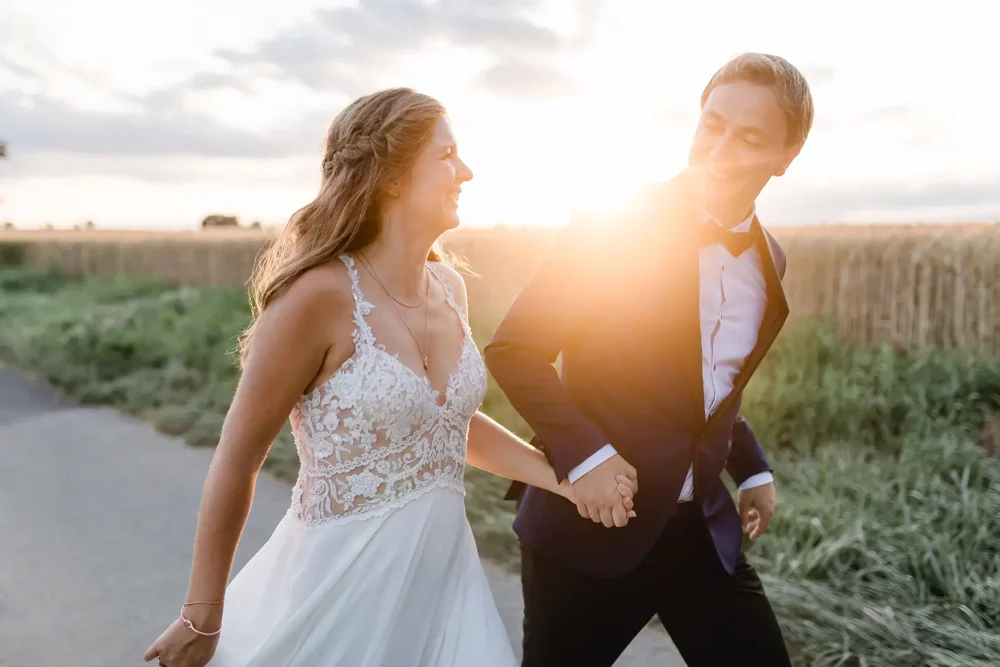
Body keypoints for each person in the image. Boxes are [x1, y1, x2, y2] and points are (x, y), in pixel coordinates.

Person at [143, 88, 636, 667]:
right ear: (393, 178)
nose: (466, 172)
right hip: (339, 592)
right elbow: (237, 457)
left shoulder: (449, 289)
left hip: (444, 590)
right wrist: (201, 614)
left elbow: (445, 423)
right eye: (446, 155)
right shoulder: (315, 298)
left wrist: (567, 479)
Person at [484, 52, 814, 666]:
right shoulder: (615, 225)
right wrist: (588, 456)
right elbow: (515, 350)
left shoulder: (770, 258)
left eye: (749, 139)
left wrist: (752, 468)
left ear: (786, 156)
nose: (721, 150)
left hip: (702, 534)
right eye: (713, 125)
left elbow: (710, 386)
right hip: (589, 529)